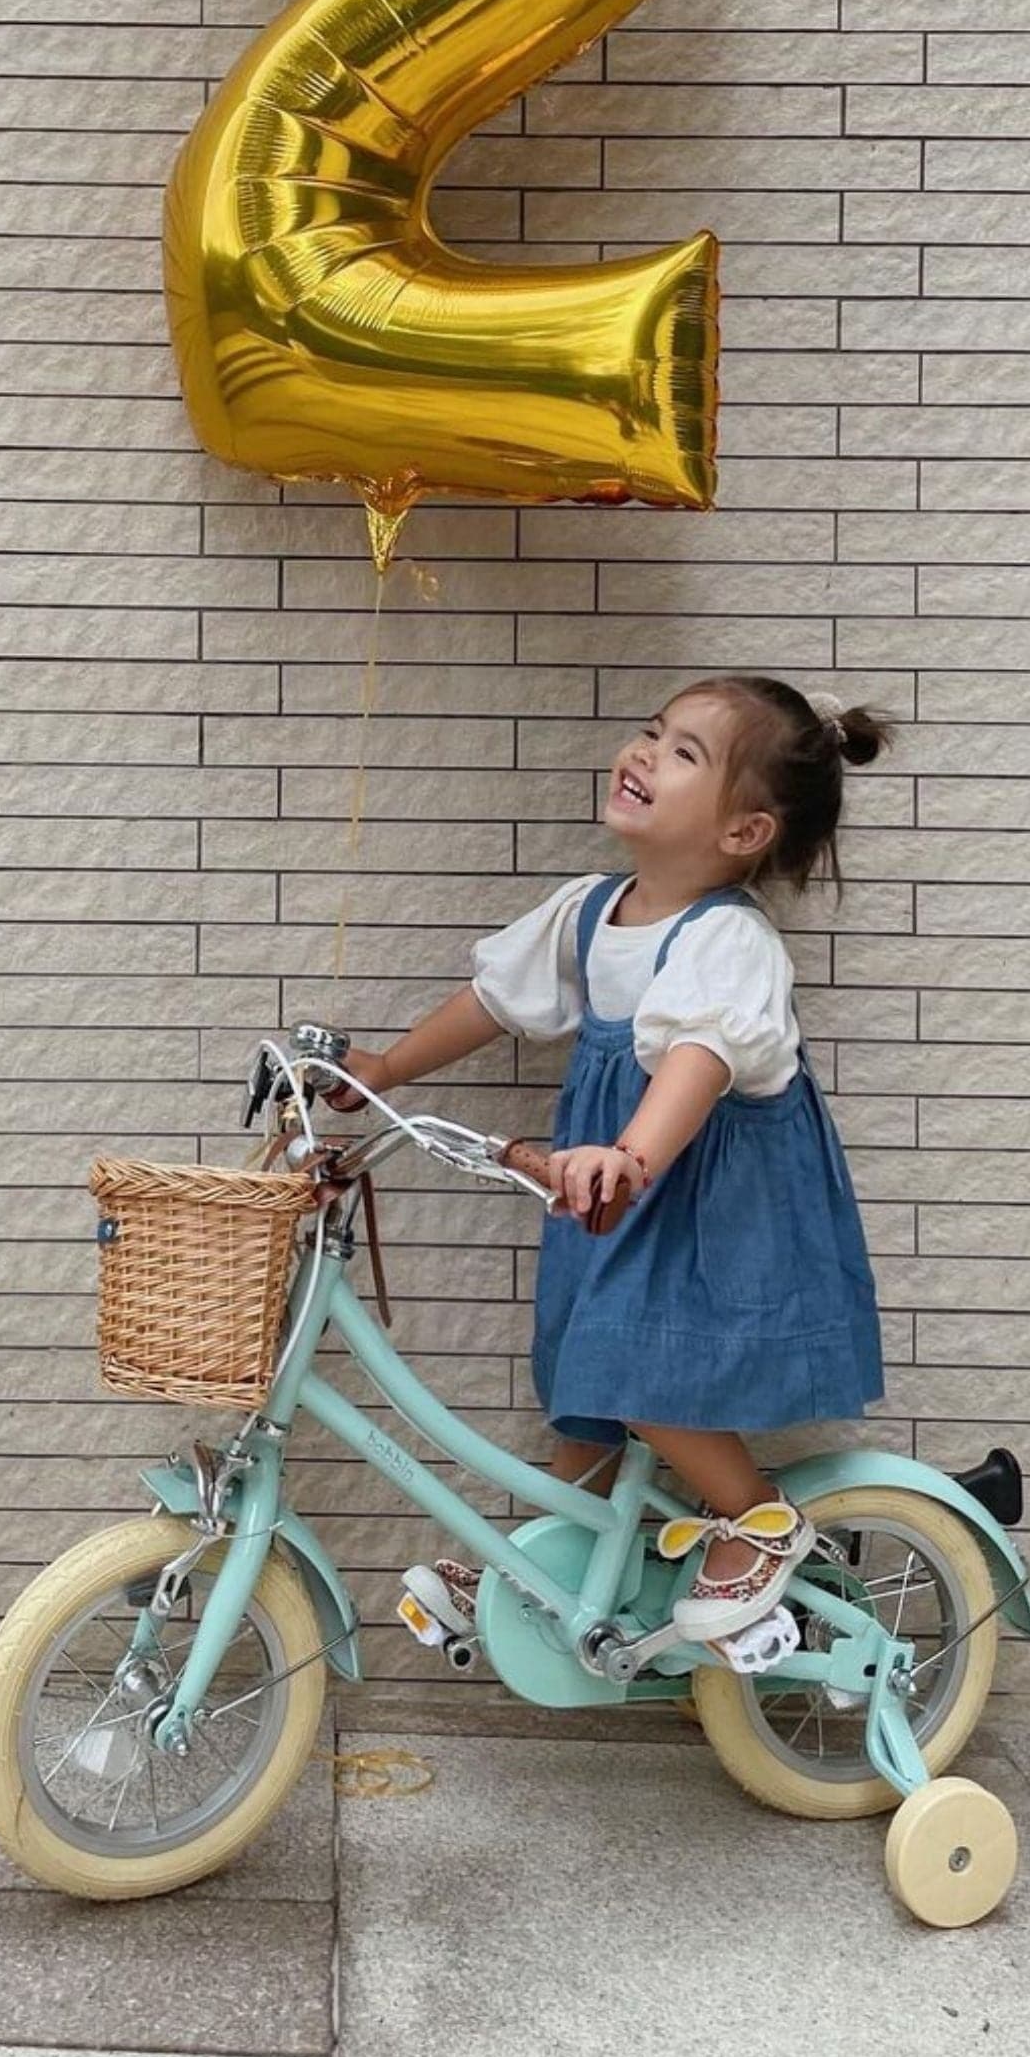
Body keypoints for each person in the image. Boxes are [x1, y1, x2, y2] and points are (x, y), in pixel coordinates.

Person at [327, 676, 890, 1654]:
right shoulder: (591, 912)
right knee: (582, 1389)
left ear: (744, 832)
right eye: (651, 733)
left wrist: (630, 1155)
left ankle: (758, 1519)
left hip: (707, 1202)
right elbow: (493, 1002)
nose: (644, 754)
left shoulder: (729, 939)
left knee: (632, 1360)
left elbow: (699, 1059)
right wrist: (387, 1069)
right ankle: (553, 1570)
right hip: (613, 1193)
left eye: (683, 754)